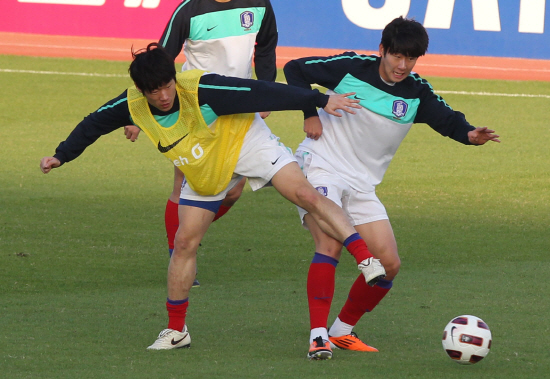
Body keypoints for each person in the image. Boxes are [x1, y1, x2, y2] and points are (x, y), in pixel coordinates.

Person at [40, 43, 387, 353]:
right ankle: (176, 330)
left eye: (166, 85)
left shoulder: (202, 88)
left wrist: (319, 99)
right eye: (153, 90)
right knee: (184, 242)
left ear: (174, 79)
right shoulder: (131, 105)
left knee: (302, 192)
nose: (162, 95)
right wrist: (61, 155)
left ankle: (364, 257)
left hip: (245, 142)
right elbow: (92, 124)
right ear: (140, 90)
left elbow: (261, 90)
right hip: (204, 166)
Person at [283, 16, 500, 360]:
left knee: (389, 263)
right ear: (382, 50)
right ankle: (318, 335)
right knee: (330, 242)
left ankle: (341, 330)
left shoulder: (416, 92)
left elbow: (446, 119)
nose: (403, 65)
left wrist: (471, 135)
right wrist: (311, 109)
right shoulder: (351, 68)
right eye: (397, 56)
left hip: (362, 185)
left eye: (410, 58)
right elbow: (295, 67)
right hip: (321, 165)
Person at [124, 0, 278, 288]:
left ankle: (187, 236)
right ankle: (179, 252)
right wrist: (136, 114)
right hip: (195, 105)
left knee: (232, 193)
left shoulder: (258, 4)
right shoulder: (189, 10)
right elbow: (159, 61)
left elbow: (266, 45)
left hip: (237, 103)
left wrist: (265, 87)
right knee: (183, 183)